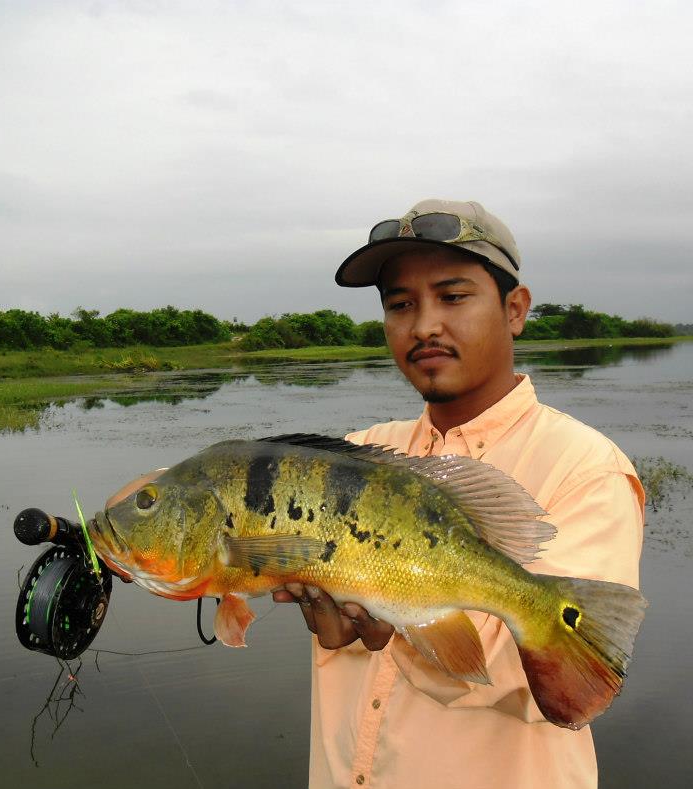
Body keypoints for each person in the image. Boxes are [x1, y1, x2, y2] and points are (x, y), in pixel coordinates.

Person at [272, 198, 645, 789]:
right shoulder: (357, 454)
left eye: (453, 296)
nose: (423, 326)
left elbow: (552, 685)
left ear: (515, 309)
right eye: (400, 305)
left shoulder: (585, 468)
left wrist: (401, 626)